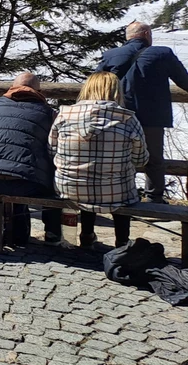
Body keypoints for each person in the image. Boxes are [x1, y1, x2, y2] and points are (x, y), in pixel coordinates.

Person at [50, 72, 148, 248]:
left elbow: (51, 149)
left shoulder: (64, 115)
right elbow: (141, 159)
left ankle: (87, 234)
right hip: (116, 192)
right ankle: (122, 241)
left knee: (88, 183)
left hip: (69, 189)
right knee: (117, 186)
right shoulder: (128, 119)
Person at [96, 21, 188, 203]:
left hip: (118, 116)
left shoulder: (111, 55)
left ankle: (121, 194)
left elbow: (95, 83)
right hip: (152, 117)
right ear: (146, 34)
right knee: (154, 159)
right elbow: (184, 81)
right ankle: (154, 198)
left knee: (118, 155)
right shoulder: (163, 53)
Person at [0, 73, 59, 245]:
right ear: (38, 91)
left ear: (11, 88)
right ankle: (52, 232)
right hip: (25, 183)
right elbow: (54, 148)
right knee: (52, 178)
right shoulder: (48, 113)